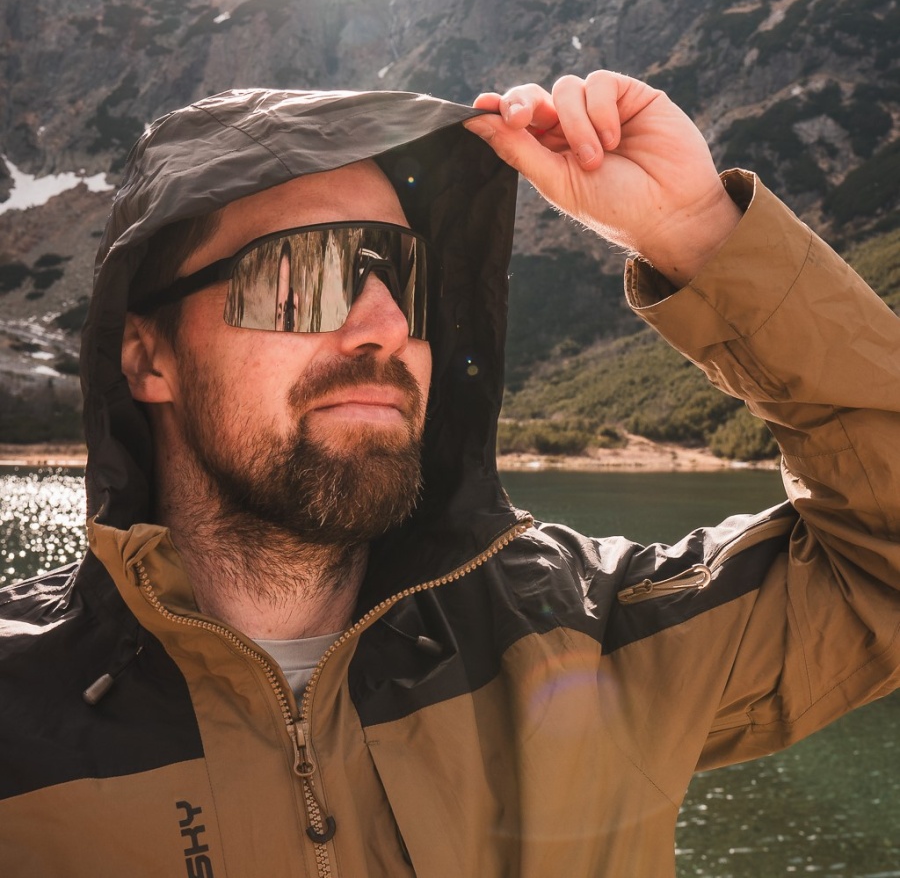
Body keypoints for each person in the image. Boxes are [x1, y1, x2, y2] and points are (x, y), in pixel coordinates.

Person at [0, 72, 897, 878]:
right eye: (305, 276)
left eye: (408, 281)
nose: (386, 325)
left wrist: (697, 230)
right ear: (147, 357)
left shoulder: (582, 635)